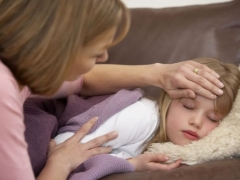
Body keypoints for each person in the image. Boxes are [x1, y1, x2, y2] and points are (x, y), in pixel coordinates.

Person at [0, 0, 224, 180]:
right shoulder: (4, 90)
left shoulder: (25, 76)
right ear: (58, 45)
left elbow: (82, 82)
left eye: (214, 118)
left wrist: (159, 73)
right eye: (96, 53)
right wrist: (60, 163)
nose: (104, 58)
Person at [54, 58, 240, 172]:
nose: (197, 122)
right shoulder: (143, 116)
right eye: (188, 106)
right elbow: (64, 148)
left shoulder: (169, 146)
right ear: (169, 99)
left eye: (213, 118)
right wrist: (129, 164)